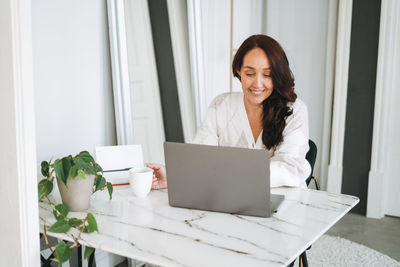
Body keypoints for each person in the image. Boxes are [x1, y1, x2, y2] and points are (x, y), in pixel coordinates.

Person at [148, 34, 311, 190]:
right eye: (249, 73)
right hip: (230, 199)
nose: (258, 83)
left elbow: (290, 168)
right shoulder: (221, 105)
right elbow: (201, 158)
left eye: (267, 75)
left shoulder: (295, 111)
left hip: (285, 203)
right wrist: (173, 178)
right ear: (239, 70)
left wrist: (227, 173)